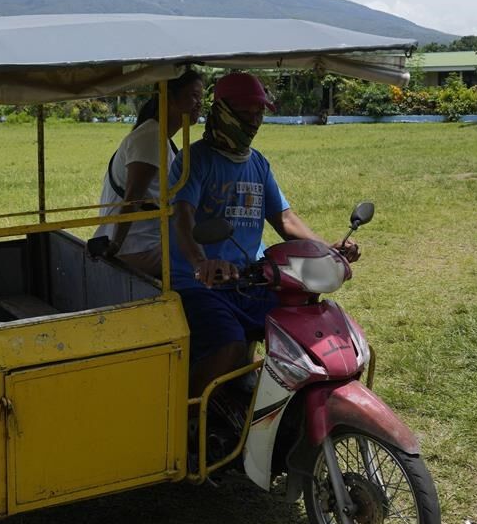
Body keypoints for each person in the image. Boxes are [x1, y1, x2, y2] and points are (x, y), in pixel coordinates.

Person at [168, 72, 358, 398]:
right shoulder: (194, 161)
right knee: (229, 346)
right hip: (200, 283)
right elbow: (182, 217)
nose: (255, 122)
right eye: (246, 114)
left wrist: (326, 249)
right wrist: (200, 261)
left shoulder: (257, 163)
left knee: (303, 333)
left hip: (251, 279)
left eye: (259, 113)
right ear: (224, 112)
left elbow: (284, 219)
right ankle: (188, 419)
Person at [93, 69, 204, 278]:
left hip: (142, 242)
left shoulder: (159, 136)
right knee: (205, 266)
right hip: (136, 247)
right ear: (169, 98)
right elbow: (132, 198)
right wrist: (116, 245)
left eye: (201, 97)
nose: (199, 103)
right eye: (193, 96)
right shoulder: (151, 138)